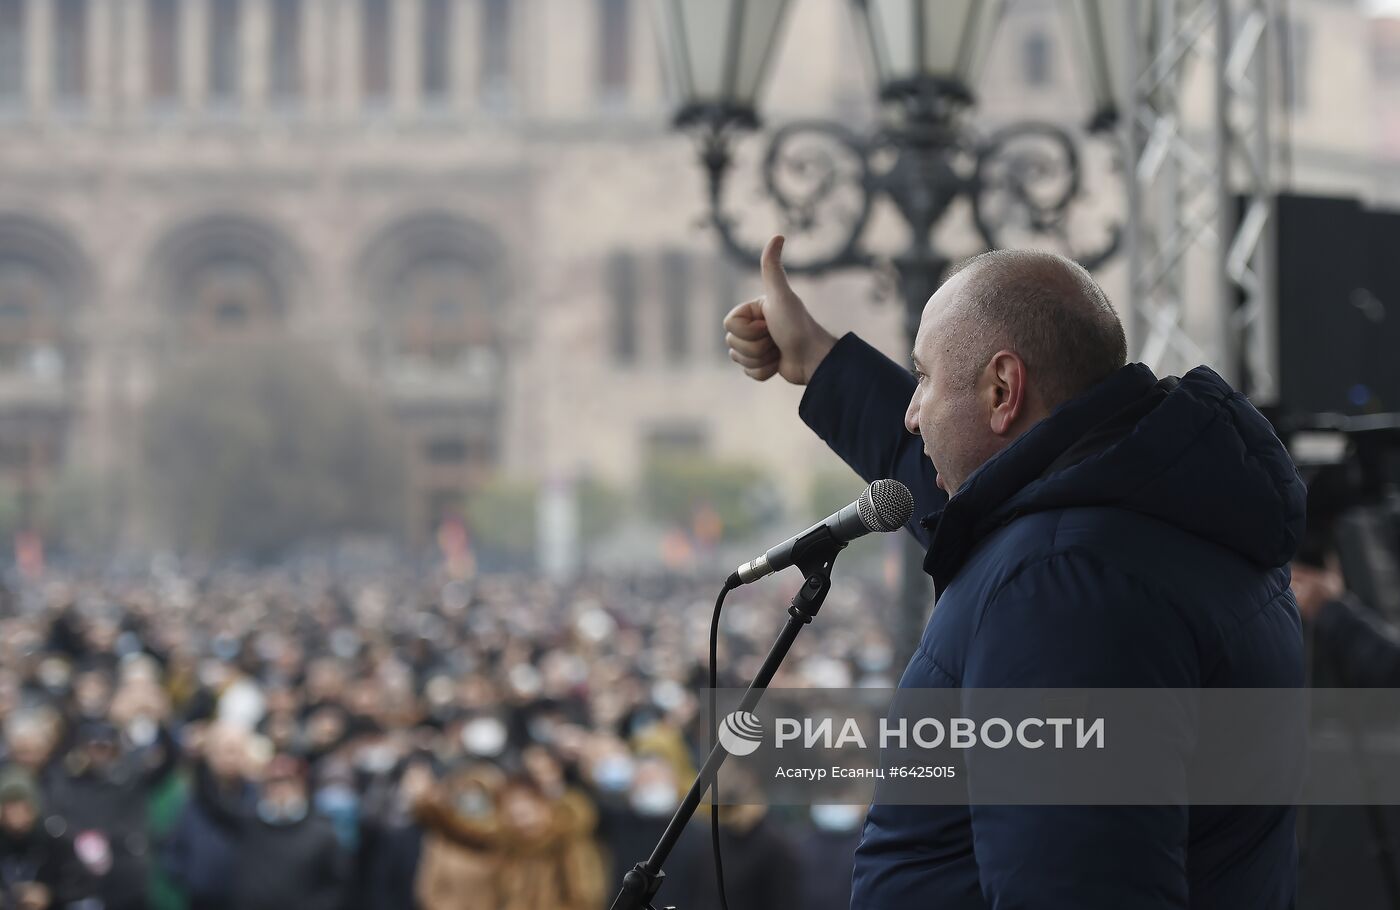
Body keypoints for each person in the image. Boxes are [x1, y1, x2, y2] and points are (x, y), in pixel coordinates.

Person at [723, 236, 1306, 908]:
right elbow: (974, 502)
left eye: (924, 379)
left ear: (1003, 388)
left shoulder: (1060, 589)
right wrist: (821, 363)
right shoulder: (1139, 518)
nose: (912, 416)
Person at [0, 766, 92, 910]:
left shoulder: (55, 837)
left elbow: (81, 883)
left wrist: (49, 894)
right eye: (9, 807)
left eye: (22, 806)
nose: (16, 815)